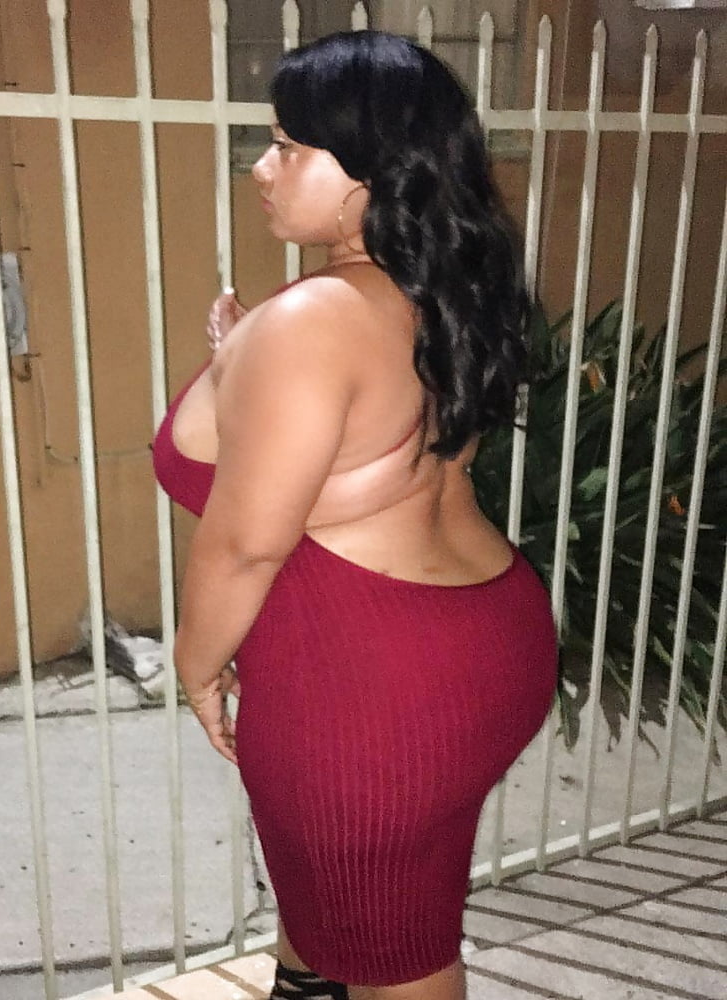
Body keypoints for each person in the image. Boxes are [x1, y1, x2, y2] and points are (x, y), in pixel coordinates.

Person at [152, 30, 558, 1000]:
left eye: (288, 147)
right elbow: (373, 462)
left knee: (397, 952)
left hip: (374, 691)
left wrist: (196, 667)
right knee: (346, 891)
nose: (262, 168)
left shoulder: (314, 318)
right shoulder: (437, 288)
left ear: (373, 172)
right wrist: (243, 356)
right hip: (477, 637)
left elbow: (246, 547)